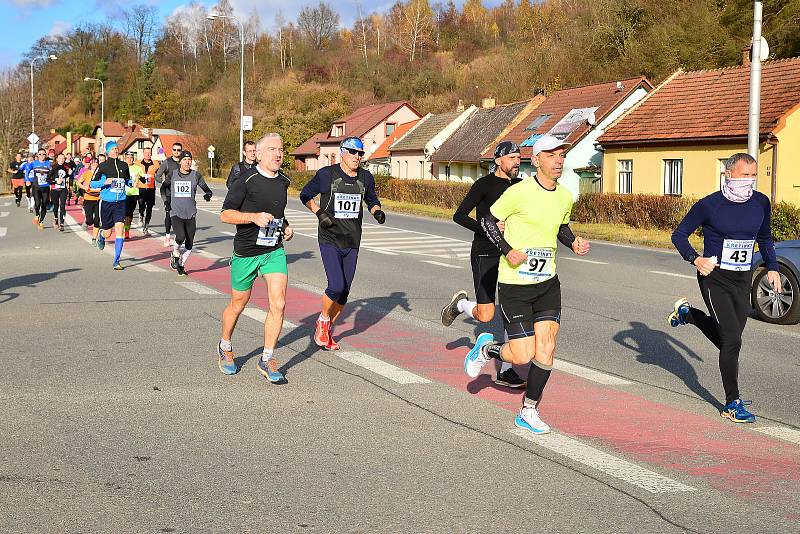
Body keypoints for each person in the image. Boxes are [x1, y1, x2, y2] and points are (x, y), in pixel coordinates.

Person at [463, 135, 590, 435]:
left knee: (546, 349)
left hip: (548, 283)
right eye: (552, 154)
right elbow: (487, 222)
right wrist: (508, 250)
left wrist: (573, 243)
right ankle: (486, 351)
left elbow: (560, 226)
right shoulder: (518, 192)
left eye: (562, 154)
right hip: (515, 284)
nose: (559, 159)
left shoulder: (564, 195)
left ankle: (528, 410)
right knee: (521, 355)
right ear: (537, 160)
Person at [668, 153, 779, 424]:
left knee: (729, 339)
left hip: (743, 279)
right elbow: (679, 235)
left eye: (753, 176)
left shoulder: (761, 202)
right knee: (732, 341)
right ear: (728, 174)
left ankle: (688, 315)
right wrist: (696, 259)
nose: (749, 181)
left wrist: (772, 267)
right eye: (744, 175)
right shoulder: (710, 205)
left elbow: (764, 238)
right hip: (714, 278)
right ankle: (732, 403)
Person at [442, 141, 525, 388]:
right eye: (512, 157)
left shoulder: (521, 187)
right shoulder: (484, 185)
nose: (517, 162)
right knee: (487, 313)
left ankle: (506, 370)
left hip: (512, 254)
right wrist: (487, 229)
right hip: (485, 252)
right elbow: (459, 216)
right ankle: (461, 304)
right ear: (498, 160)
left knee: (512, 309)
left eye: (519, 158)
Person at [218, 133, 293, 382]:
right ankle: (225, 346)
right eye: (272, 149)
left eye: (280, 149)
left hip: (273, 250)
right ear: (258, 154)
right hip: (247, 252)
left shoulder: (283, 181)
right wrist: (252, 216)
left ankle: (267, 357)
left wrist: (287, 227)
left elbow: (277, 212)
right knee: (238, 303)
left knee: (279, 304)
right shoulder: (245, 180)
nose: (277, 153)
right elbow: (225, 214)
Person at [300, 136, 385, 351]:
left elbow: (371, 199)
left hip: (352, 240)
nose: (357, 157)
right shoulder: (326, 174)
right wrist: (319, 213)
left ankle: (327, 330)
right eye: (353, 152)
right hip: (330, 237)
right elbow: (305, 195)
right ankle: (322, 321)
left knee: (345, 292)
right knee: (336, 285)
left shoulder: (365, 177)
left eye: (361, 154)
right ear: (342, 152)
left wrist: (377, 211)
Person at [162, 150, 212, 276]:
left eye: (189, 160)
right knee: (180, 236)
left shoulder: (196, 175)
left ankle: (181, 264)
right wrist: (166, 201)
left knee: (189, 243)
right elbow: (163, 188)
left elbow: (207, 190)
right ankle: (175, 253)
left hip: (190, 214)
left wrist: (208, 195)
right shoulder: (172, 175)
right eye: (184, 159)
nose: (187, 162)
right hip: (175, 212)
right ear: (180, 162)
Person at [90, 141, 131, 270]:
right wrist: (105, 182)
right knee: (108, 233)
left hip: (121, 202)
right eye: (113, 149)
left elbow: (127, 180)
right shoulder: (102, 166)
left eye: (117, 149)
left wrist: (131, 182)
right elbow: (92, 183)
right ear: (107, 152)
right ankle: (101, 236)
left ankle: (116, 260)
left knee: (120, 229)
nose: (116, 151)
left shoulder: (124, 165)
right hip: (106, 202)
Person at [155, 141, 183, 247]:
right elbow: (158, 176)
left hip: (180, 194)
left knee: (179, 216)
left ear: (181, 151)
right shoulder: (167, 162)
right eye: (174, 150)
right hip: (168, 193)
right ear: (172, 150)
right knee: (169, 214)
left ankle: (177, 236)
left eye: (178, 150)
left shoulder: (183, 162)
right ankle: (167, 237)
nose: (176, 152)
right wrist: (162, 182)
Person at [76, 158, 101, 245]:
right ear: (90, 164)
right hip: (88, 199)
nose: (95, 165)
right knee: (90, 221)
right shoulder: (86, 173)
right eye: (93, 164)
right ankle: (87, 222)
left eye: (96, 164)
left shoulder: (101, 174)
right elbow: (78, 182)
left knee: (97, 220)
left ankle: (94, 239)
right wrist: (84, 187)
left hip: (98, 199)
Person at [137, 147, 159, 235]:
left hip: (151, 188)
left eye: (149, 153)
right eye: (146, 153)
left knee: (149, 208)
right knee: (141, 205)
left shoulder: (156, 164)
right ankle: (141, 214)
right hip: (141, 188)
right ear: (143, 153)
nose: (148, 154)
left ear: (151, 154)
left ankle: (146, 227)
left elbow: (159, 174)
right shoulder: (138, 163)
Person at [124, 153, 144, 239]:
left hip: (133, 194)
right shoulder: (122, 168)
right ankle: (120, 227)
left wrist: (143, 179)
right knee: (122, 213)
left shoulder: (138, 168)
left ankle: (126, 231)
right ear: (125, 159)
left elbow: (144, 179)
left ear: (133, 159)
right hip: (122, 194)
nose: (129, 159)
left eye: (131, 158)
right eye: (127, 158)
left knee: (129, 214)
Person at [29, 150, 51, 228]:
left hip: (46, 187)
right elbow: (27, 170)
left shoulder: (49, 163)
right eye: (40, 154)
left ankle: (41, 222)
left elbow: (54, 171)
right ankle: (37, 215)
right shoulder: (34, 163)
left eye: (43, 154)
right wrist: (28, 180)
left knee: (44, 204)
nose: (42, 155)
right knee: (37, 204)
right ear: (37, 155)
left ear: (46, 155)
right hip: (36, 187)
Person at [47, 153, 69, 232]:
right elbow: (48, 179)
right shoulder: (53, 167)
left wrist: (70, 175)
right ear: (57, 159)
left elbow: (68, 177)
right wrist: (56, 182)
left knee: (62, 206)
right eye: (60, 158)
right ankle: (56, 218)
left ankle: (62, 224)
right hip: (55, 190)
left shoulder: (66, 167)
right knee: (55, 207)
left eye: (63, 158)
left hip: (63, 190)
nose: (62, 160)